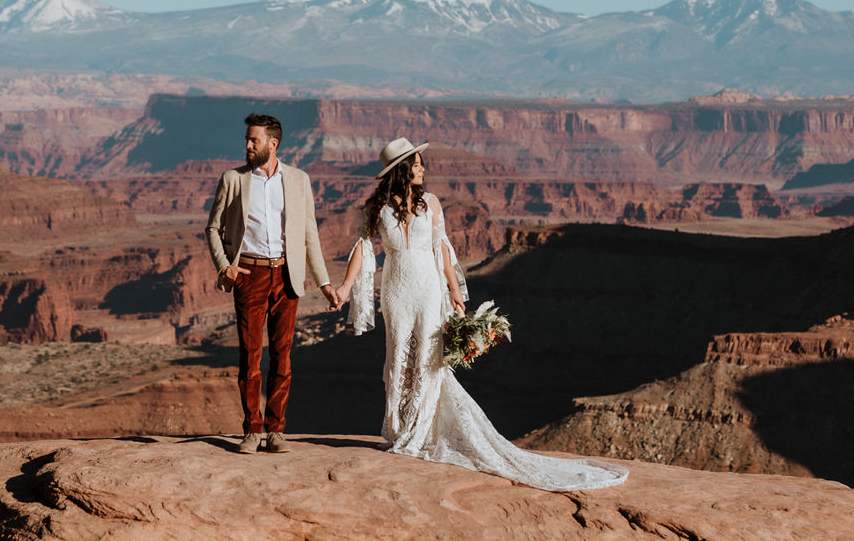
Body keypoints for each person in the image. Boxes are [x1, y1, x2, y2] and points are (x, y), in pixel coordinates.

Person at [334, 137, 628, 491]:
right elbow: (363, 249)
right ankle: (399, 429)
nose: (423, 169)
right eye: (416, 164)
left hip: (428, 288)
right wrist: (347, 287)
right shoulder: (377, 207)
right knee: (399, 356)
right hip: (396, 290)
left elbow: (441, 247)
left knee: (429, 358)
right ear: (402, 170)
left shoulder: (431, 203)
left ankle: (421, 432)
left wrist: (455, 290)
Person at [206, 113, 339, 454]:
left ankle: (276, 430)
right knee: (250, 357)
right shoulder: (233, 179)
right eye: (247, 140)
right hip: (249, 275)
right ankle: (252, 430)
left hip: (287, 276)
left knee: (282, 357)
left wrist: (323, 282)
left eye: (254, 140)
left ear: (272, 144)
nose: (247, 146)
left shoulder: (297, 179)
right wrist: (225, 268)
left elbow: (310, 233)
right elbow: (213, 228)